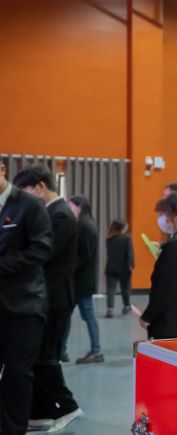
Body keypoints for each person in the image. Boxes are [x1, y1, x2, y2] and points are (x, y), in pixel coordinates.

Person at [12, 165, 82, 432]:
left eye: (25, 191)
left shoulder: (60, 214)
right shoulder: (50, 213)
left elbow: (43, 252)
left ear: (40, 186)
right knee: (38, 356)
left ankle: (68, 407)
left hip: (56, 298)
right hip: (45, 296)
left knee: (47, 357)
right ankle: (40, 413)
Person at [0, 162, 53, 435]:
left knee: (17, 375)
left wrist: (3, 264)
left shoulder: (29, 205)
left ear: (2, 169)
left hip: (24, 306)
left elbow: (42, 250)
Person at [140, 192, 177, 339]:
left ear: (176, 216)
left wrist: (148, 316)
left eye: (163, 214)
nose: (161, 218)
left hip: (171, 323)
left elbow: (165, 287)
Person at [67, 195, 103, 364]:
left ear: (79, 207)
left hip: (82, 281)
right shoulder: (83, 224)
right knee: (66, 314)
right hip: (78, 280)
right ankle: (60, 349)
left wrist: (68, 267)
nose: (69, 209)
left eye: (71, 206)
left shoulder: (87, 226)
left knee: (88, 315)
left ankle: (97, 350)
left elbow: (85, 255)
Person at [105, 219, 135, 318]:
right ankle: (126, 306)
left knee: (110, 289)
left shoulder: (109, 238)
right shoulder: (127, 237)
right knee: (125, 288)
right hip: (124, 267)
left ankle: (110, 308)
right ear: (122, 228)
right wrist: (131, 265)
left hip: (111, 266)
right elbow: (130, 253)